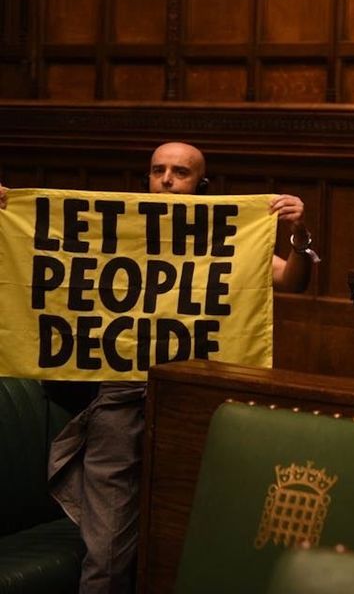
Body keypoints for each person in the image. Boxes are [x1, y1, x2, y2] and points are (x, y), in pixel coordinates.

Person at [1, 141, 314, 594]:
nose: (166, 179)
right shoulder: (120, 229)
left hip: (195, 404)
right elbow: (43, 250)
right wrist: (12, 211)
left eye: (180, 172)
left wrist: (299, 235)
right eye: (157, 170)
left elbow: (292, 280)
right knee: (106, 554)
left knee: (193, 536)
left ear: (201, 185)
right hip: (121, 399)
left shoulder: (222, 232)